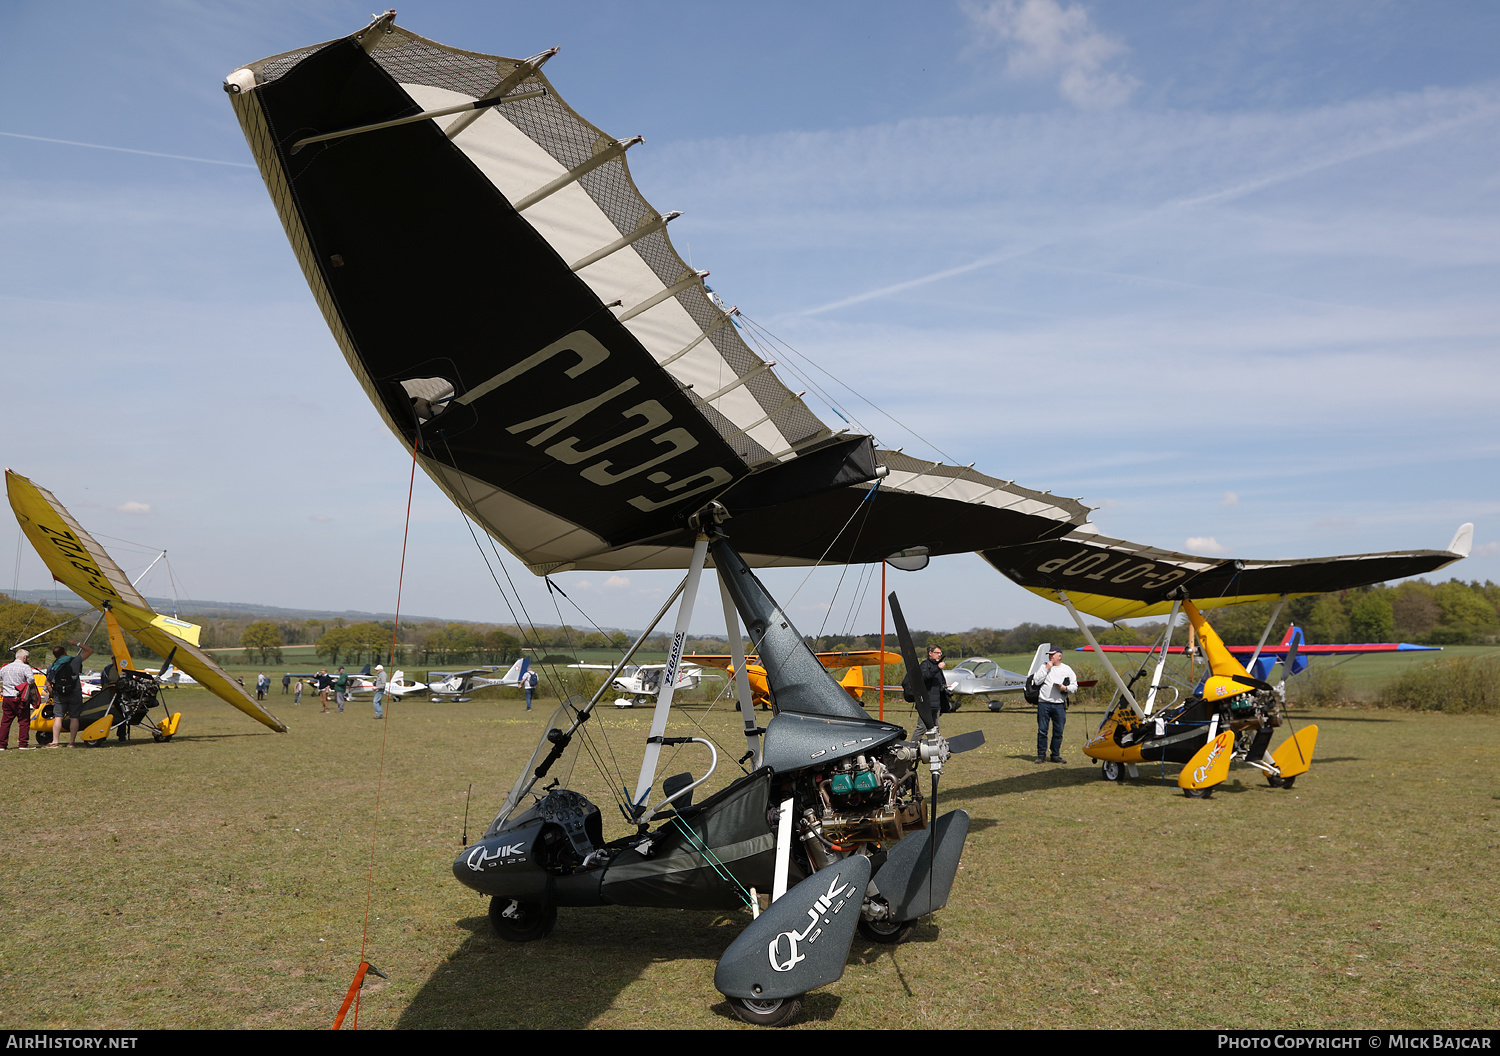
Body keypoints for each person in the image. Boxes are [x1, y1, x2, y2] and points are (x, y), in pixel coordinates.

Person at [47, 640, 93, 748]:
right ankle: (71, 742)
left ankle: (55, 741)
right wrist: (77, 644)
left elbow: (48, 683)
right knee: (74, 717)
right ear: (65, 652)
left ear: (55, 656)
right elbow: (90, 650)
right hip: (75, 692)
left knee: (58, 717)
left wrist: (52, 694)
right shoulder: (75, 661)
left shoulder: (52, 666)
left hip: (59, 694)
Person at [1035, 648, 1076, 763]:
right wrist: (1047, 669)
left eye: (1053, 655)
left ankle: (1055, 755)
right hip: (1044, 703)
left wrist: (1065, 688)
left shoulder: (1066, 669)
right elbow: (1036, 681)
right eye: (1049, 655)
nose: (1050, 657)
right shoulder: (1044, 667)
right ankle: (1041, 755)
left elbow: (1074, 687)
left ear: (1060, 656)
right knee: (1042, 730)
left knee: (1058, 731)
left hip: (1059, 705)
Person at [1, 648, 38, 750]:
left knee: (5, 721)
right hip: (20, 697)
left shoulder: (5, 667)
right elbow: (31, 679)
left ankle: (2, 744)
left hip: (7, 697)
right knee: (23, 721)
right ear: (25, 657)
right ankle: (23, 743)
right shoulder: (25, 668)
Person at [917, 645, 951, 734]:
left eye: (940, 653)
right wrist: (937, 668)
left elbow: (936, 682)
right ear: (930, 653)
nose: (939, 655)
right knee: (922, 727)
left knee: (936, 728)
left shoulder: (937, 667)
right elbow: (924, 677)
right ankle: (911, 745)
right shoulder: (925, 664)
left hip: (937, 702)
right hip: (926, 702)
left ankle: (935, 747)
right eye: (937, 653)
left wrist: (945, 686)